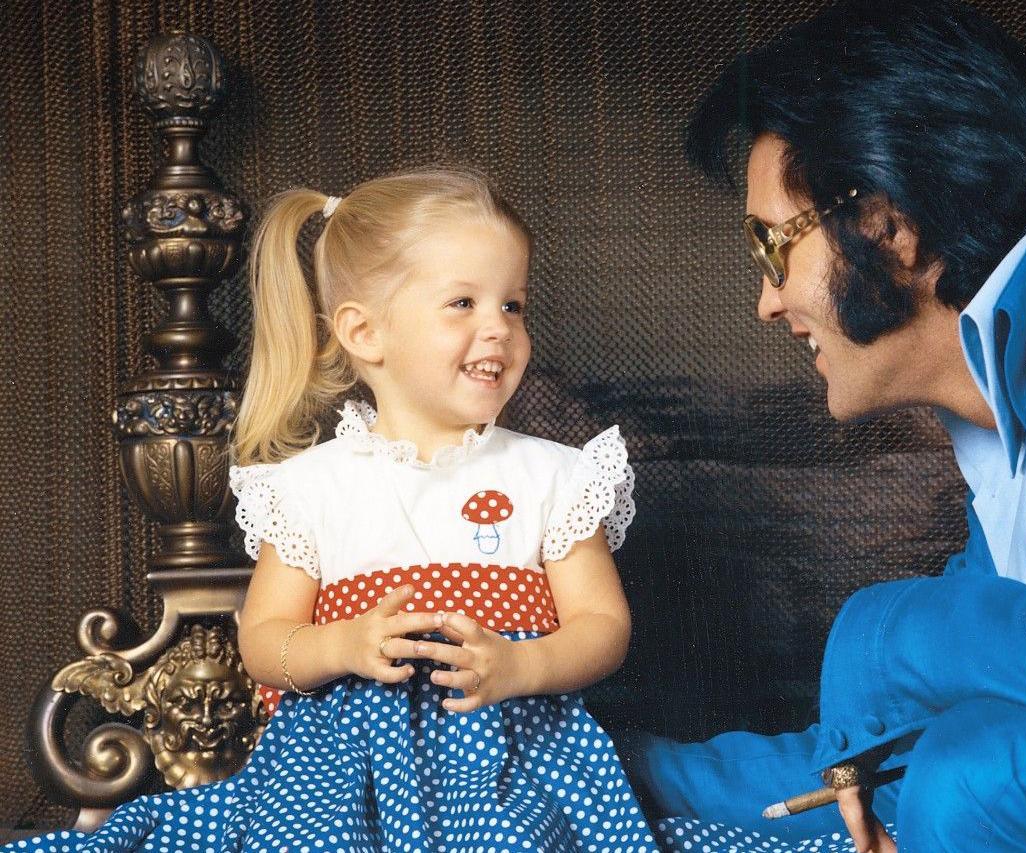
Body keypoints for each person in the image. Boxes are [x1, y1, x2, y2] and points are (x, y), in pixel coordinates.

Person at [623, 1, 1026, 851]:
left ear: (886, 224)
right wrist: (593, 763)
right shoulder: (1006, 434)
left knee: (980, 774)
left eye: (771, 246)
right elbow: (869, 765)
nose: (766, 299)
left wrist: (907, 629)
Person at [7, 169, 658, 852]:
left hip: (509, 754)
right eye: (464, 302)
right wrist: (343, 643)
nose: (499, 328)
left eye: (514, 305)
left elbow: (603, 625)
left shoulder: (552, 474)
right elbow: (264, 642)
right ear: (365, 332)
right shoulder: (312, 488)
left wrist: (523, 667)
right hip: (340, 766)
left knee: (512, 839)